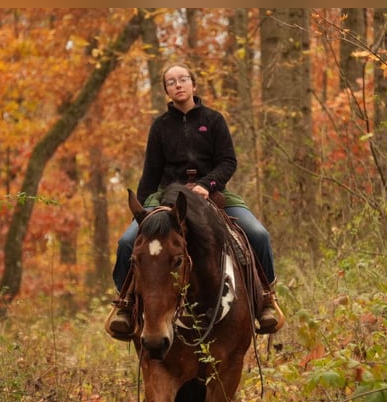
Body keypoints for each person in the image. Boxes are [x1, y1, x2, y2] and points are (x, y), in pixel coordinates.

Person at [105, 63, 284, 339]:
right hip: (166, 196)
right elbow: (150, 172)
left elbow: (228, 161)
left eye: (183, 79)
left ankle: (267, 299)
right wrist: (140, 215)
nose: (178, 85)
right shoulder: (160, 126)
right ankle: (125, 306)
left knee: (258, 234)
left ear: (193, 85)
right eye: (171, 82)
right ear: (166, 90)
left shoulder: (214, 120)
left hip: (212, 193)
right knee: (127, 241)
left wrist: (206, 184)